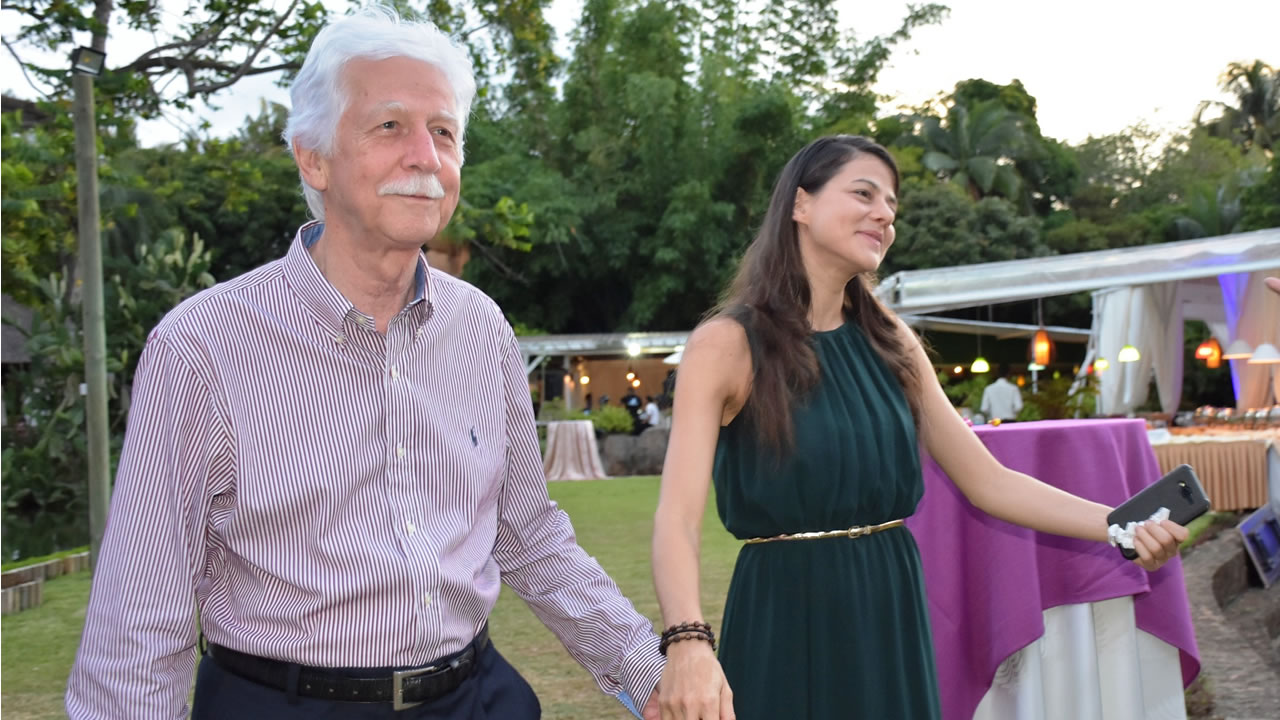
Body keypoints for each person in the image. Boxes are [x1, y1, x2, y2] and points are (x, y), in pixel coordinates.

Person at [65, 7, 662, 719]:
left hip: (475, 696)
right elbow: (139, 620)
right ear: (312, 157)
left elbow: (529, 535)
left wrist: (650, 674)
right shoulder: (203, 349)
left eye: (444, 132)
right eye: (389, 125)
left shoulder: (481, 330)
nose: (425, 156)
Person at [650, 135, 1187, 720]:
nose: (884, 214)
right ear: (800, 204)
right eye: (864, 194)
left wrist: (1119, 525)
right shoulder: (725, 344)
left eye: (891, 204)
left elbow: (989, 481)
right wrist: (687, 642)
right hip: (785, 616)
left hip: (892, 611)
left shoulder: (891, 341)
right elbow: (678, 518)